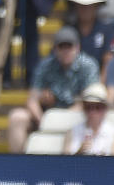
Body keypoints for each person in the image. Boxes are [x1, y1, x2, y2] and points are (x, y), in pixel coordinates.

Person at [7, 25, 99, 153]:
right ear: (55, 49)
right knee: (17, 116)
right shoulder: (45, 65)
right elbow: (32, 100)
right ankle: (18, 165)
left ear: (77, 47)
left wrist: (58, 119)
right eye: (62, 47)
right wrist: (42, 120)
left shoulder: (88, 65)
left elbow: (91, 100)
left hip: (79, 116)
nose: (66, 51)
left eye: (69, 46)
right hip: (47, 116)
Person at [62, 83, 114, 156]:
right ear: (83, 108)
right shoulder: (71, 133)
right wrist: (79, 153)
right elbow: (65, 164)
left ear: (105, 108)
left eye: (98, 107)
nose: (93, 112)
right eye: (88, 107)